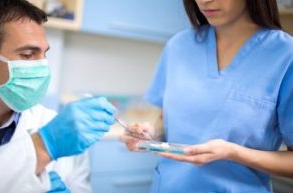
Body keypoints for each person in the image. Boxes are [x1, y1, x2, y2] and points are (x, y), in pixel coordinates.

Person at [120, 0, 293, 192]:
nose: (204, 0)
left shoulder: (285, 56)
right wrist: (148, 134)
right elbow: (165, 123)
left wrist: (234, 153)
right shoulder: (179, 45)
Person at [0, 0, 117, 193]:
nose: (42, 66)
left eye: (44, 54)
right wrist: (42, 145)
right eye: (27, 55)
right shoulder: (53, 138)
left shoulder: (59, 127)